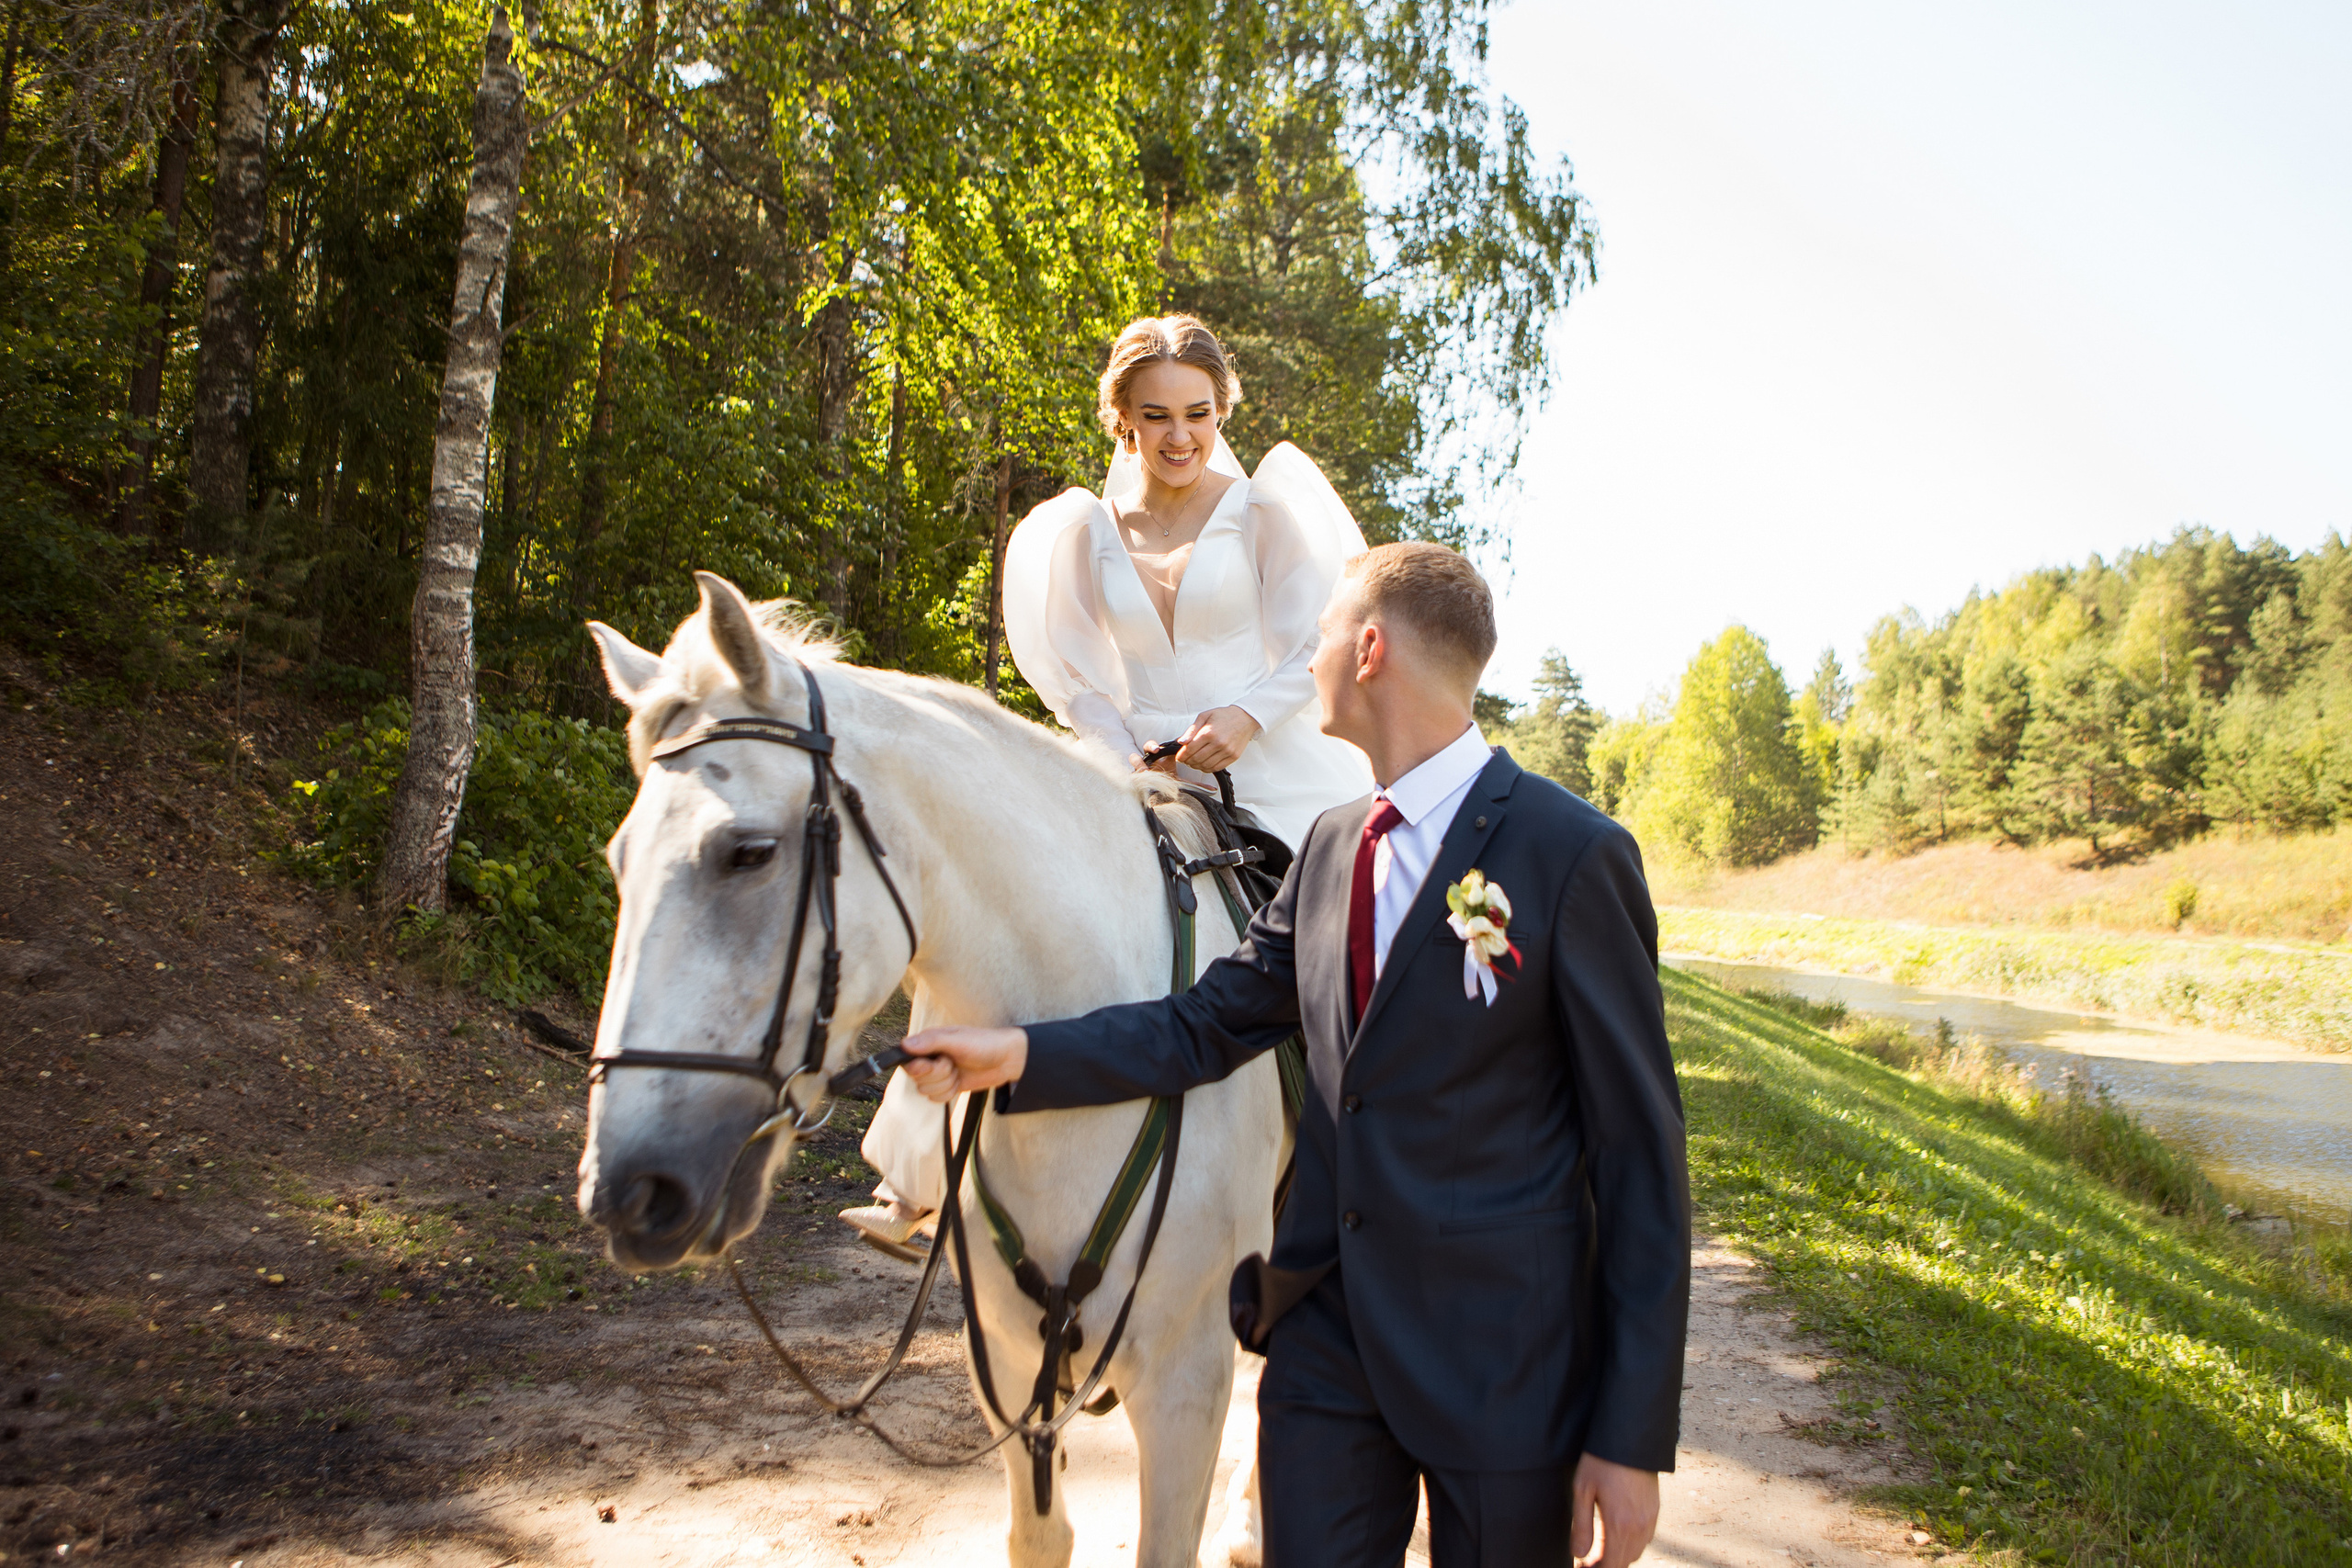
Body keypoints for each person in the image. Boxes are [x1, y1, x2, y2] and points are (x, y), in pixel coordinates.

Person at [899, 543, 1690, 1568]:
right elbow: (1203, 1025)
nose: (1306, 659)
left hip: (1506, 1367)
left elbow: (1640, 1162)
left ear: (1368, 650)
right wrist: (1012, 1055)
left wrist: (1627, 1441)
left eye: (1317, 637)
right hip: (1325, 1350)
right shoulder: (1326, 848)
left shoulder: (1570, 854)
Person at [842, 313, 1373, 1251]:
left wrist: (1244, 716)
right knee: (1001, 889)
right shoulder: (1079, 530)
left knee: (1344, 932)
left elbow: (1311, 648)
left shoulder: (1266, 512)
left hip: (1267, 757)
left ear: (1222, 411)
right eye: (1156, 415)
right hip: (1134, 767)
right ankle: (921, 1175)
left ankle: (1350, 1165)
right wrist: (1117, 742)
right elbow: (1076, 674)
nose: (1179, 437)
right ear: (1119, 418)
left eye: (1199, 415)